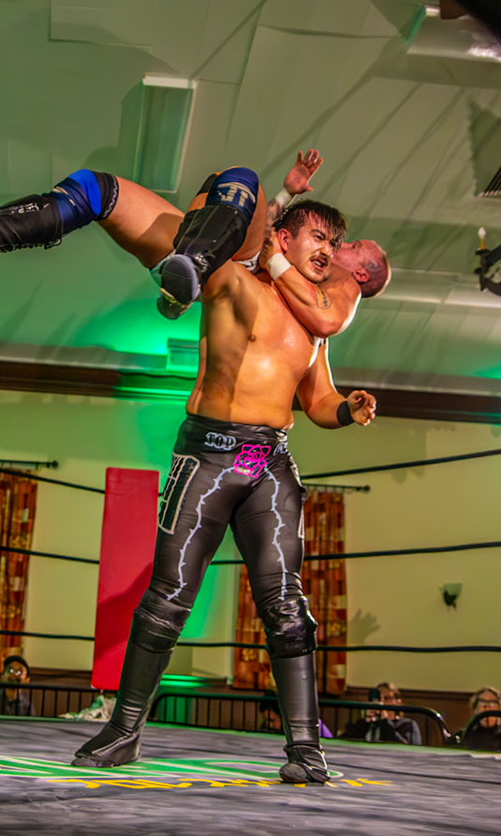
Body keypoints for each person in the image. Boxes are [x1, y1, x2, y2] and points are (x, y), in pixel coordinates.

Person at [70, 195, 379, 783]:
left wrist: (348, 408)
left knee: (286, 604)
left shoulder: (316, 324)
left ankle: (306, 749)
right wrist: (263, 201)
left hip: (270, 460)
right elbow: (216, 228)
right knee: (169, 596)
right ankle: (124, 730)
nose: (328, 251)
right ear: (283, 238)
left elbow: (317, 399)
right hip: (208, 454)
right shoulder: (233, 278)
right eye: (318, 237)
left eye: (335, 244)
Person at [0, 151, 389, 327]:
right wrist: (288, 193)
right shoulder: (306, 256)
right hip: (209, 251)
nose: (338, 248)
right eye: (333, 241)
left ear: (362, 273)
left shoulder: (341, 291)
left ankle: (191, 270)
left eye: (348, 247)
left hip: (237, 274)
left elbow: (325, 316)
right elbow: (269, 233)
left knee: (241, 178)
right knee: (97, 189)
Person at [350, 682, 423, 745]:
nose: (382, 702)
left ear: (397, 702)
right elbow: (348, 739)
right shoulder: (370, 724)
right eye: (379, 698)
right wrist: (365, 722)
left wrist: (385, 721)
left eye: (386, 698)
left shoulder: (408, 725)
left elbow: (404, 746)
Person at [455, 685, 501, 752]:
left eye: (493, 703)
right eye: (482, 702)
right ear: (475, 710)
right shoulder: (462, 736)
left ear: (500, 710)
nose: (488, 706)